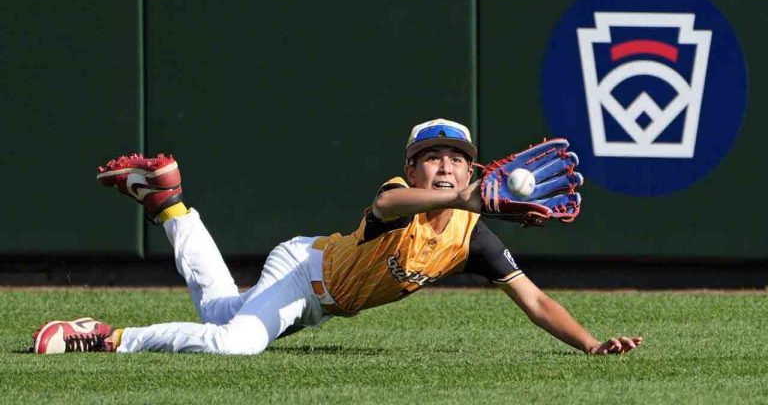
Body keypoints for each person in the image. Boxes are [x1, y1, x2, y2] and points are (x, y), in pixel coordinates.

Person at [32, 119, 642, 355]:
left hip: (322, 303)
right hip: (304, 270)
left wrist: (590, 345)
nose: (446, 166)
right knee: (234, 345)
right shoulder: (403, 196)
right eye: (432, 157)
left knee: (219, 313)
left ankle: (169, 203)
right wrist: (458, 195)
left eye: (457, 159)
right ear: (413, 167)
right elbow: (385, 203)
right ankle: (105, 338)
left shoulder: (471, 237)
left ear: (477, 168)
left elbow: (535, 300)